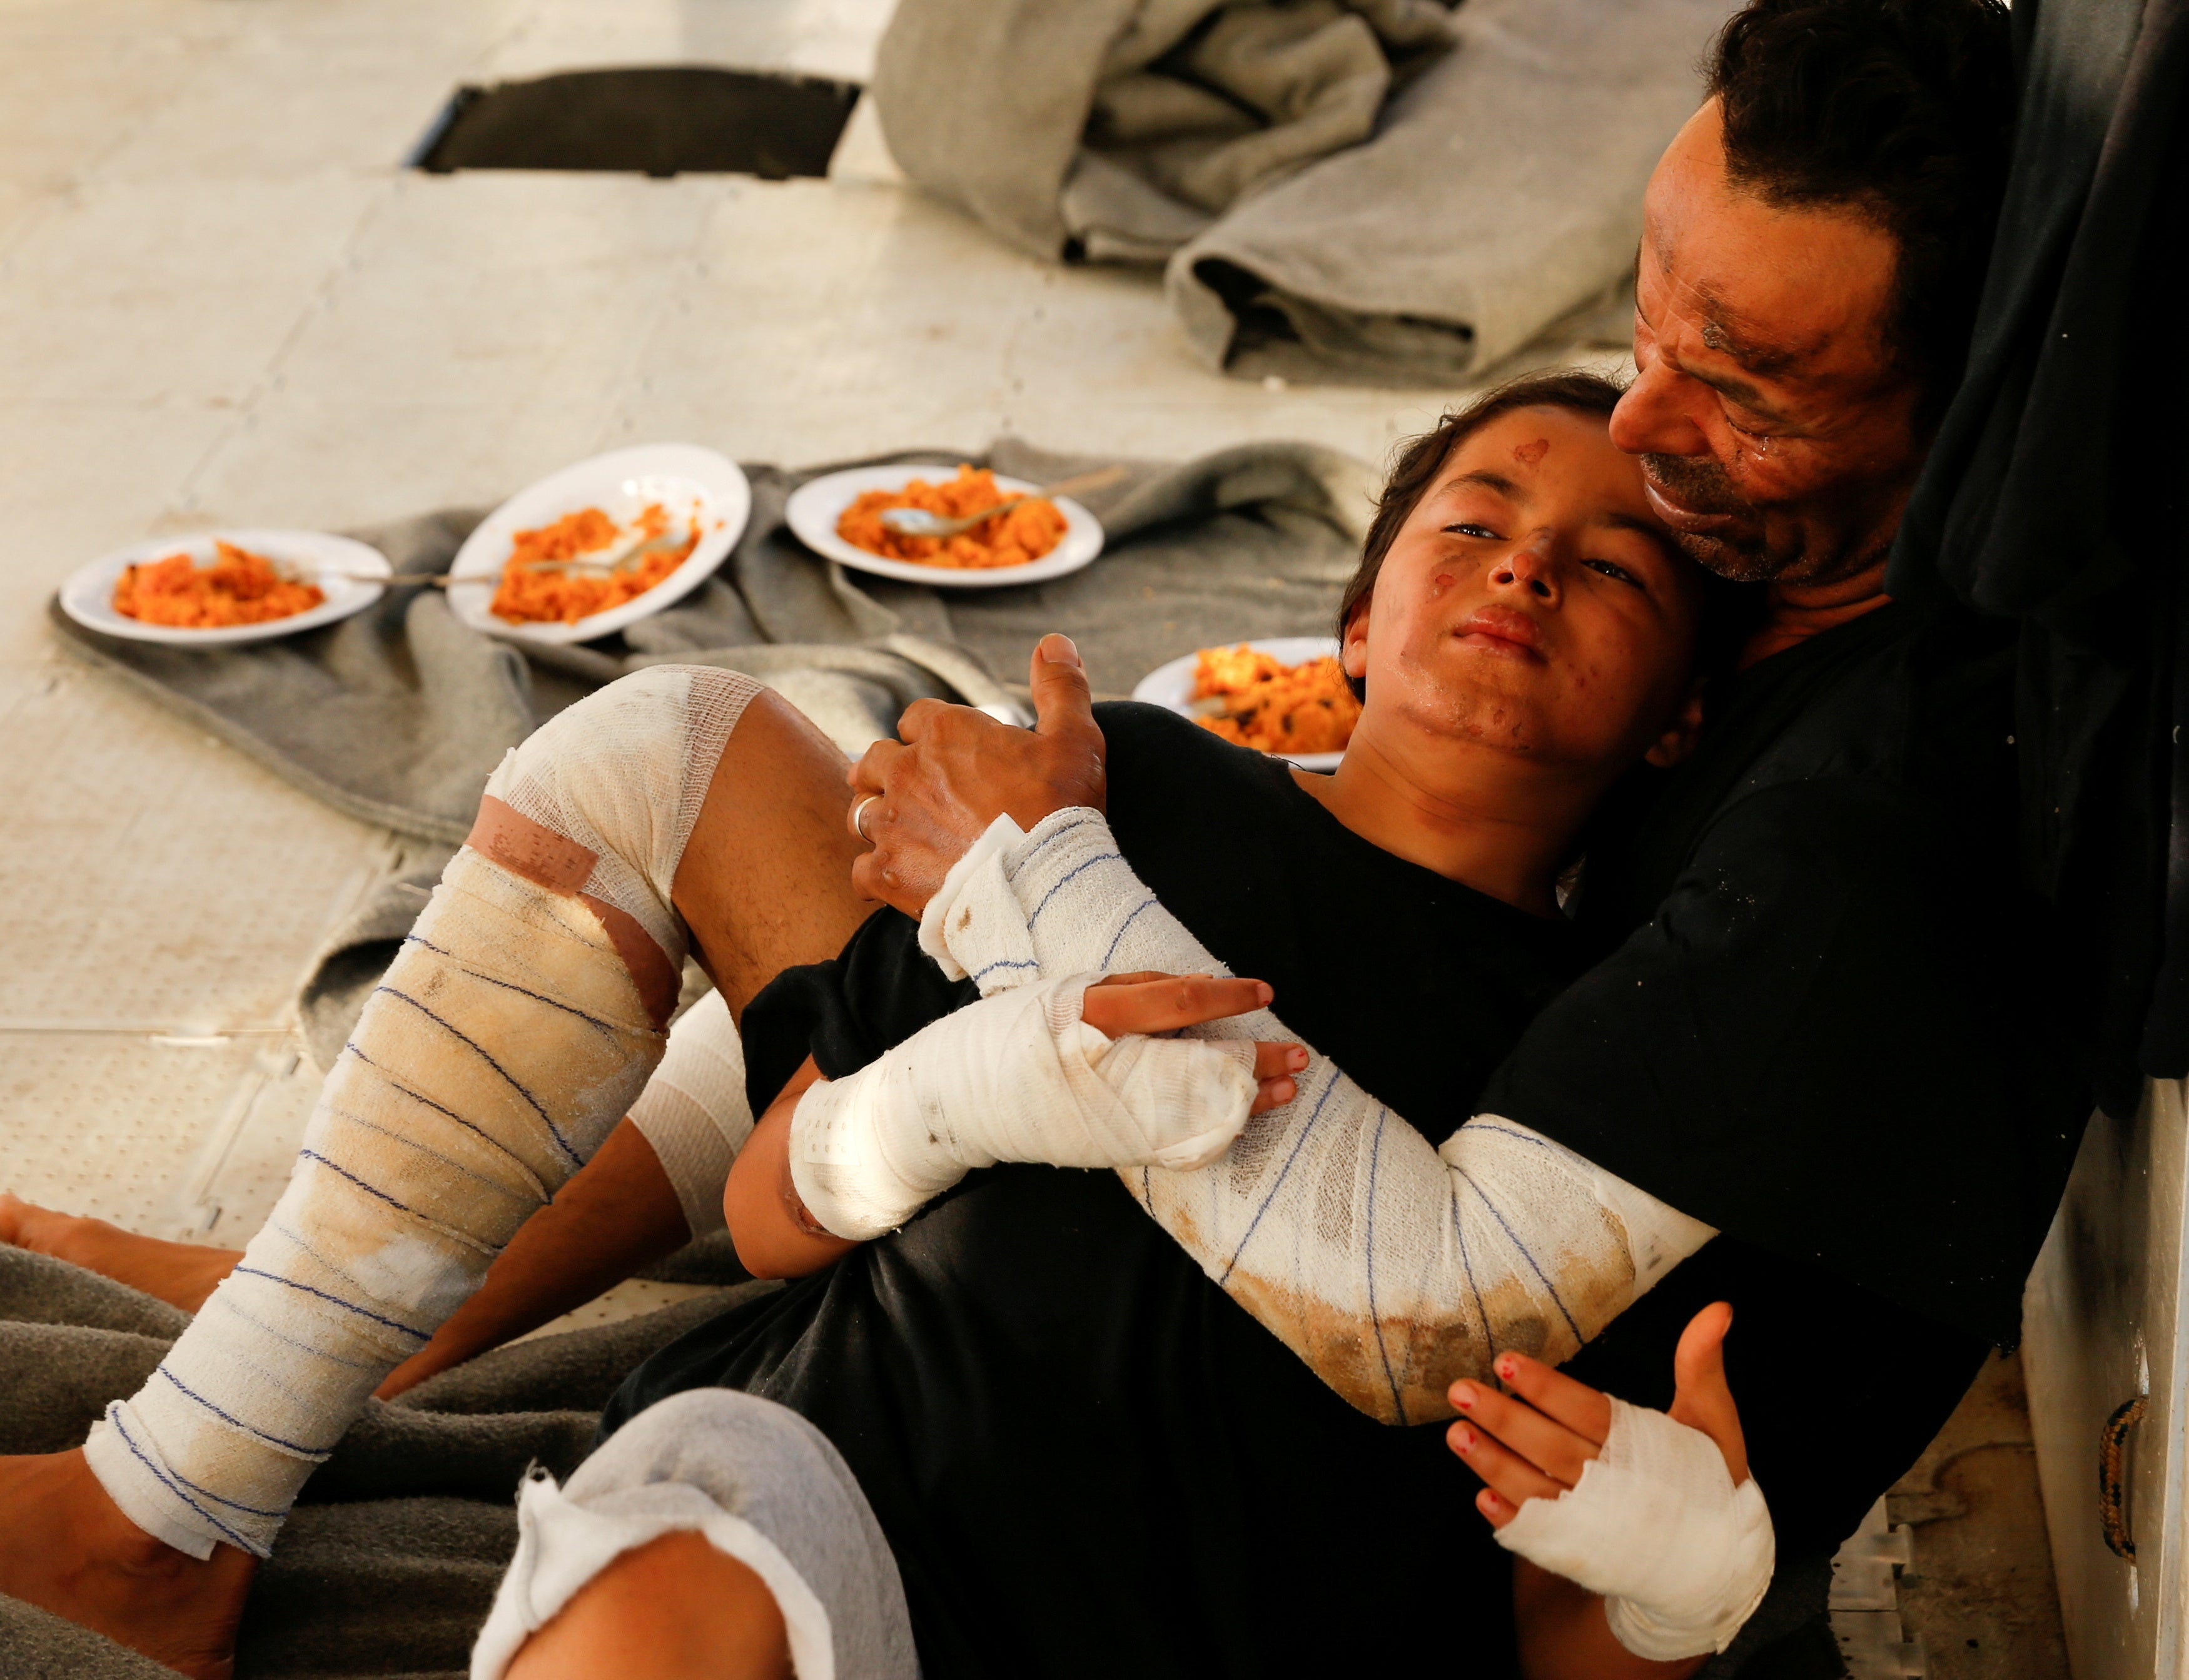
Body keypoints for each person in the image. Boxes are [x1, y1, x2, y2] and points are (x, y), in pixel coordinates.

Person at [0, 0, 2072, 1671]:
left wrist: (1032, 906)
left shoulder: (1867, 823)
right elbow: (833, 1146)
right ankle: (240, 1404)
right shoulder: (1477, 691)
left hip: (1453, 1482)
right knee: (693, 752)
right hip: (1100, 1287)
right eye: (1645, 313)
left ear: (1950, 404)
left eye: (1744, 387)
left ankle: (244, 1406)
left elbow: (1435, 1314)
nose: (1637, 421)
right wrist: (990, 976)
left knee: (924, 903)